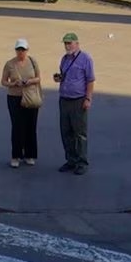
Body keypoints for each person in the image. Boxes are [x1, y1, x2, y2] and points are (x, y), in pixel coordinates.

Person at [53, 31, 95, 174]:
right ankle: (71, 160)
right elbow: (64, 75)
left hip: (78, 100)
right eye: (65, 43)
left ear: (77, 43)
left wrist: (88, 98)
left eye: (69, 43)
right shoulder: (64, 59)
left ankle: (82, 162)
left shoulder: (85, 59)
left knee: (80, 133)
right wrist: (59, 78)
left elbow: (90, 80)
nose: (67, 45)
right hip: (64, 99)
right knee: (66, 132)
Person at [0, 39, 43, 167]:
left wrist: (29, 82)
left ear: (27, 50)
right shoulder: (10, 64)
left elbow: (38, 78)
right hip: (15, 98)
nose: (21, 52)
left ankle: (29, 154)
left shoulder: (33, 62)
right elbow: (3, 81)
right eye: (19, 50)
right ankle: (16, 156)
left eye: (23, 50)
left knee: (31, 126)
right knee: (17, 126)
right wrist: (13, 84)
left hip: (30, 97)